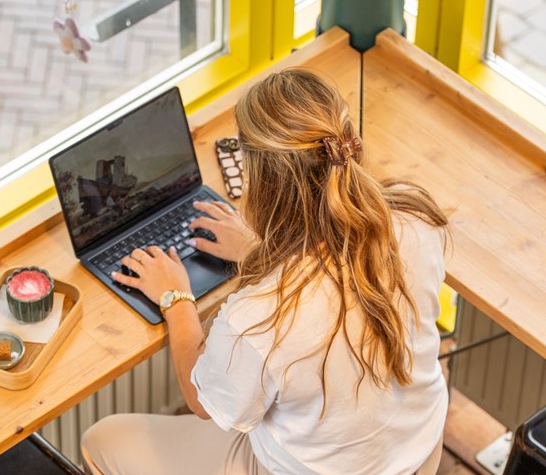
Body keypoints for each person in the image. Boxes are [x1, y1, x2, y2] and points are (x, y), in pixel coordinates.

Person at [81, 68, 450, 475]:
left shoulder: (260, 318)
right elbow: (333, 274)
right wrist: (261, 251)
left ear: (263, 182)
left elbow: (201, 401)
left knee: (101, 440)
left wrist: (175, 299)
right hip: (418, 451)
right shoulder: (416, 219)